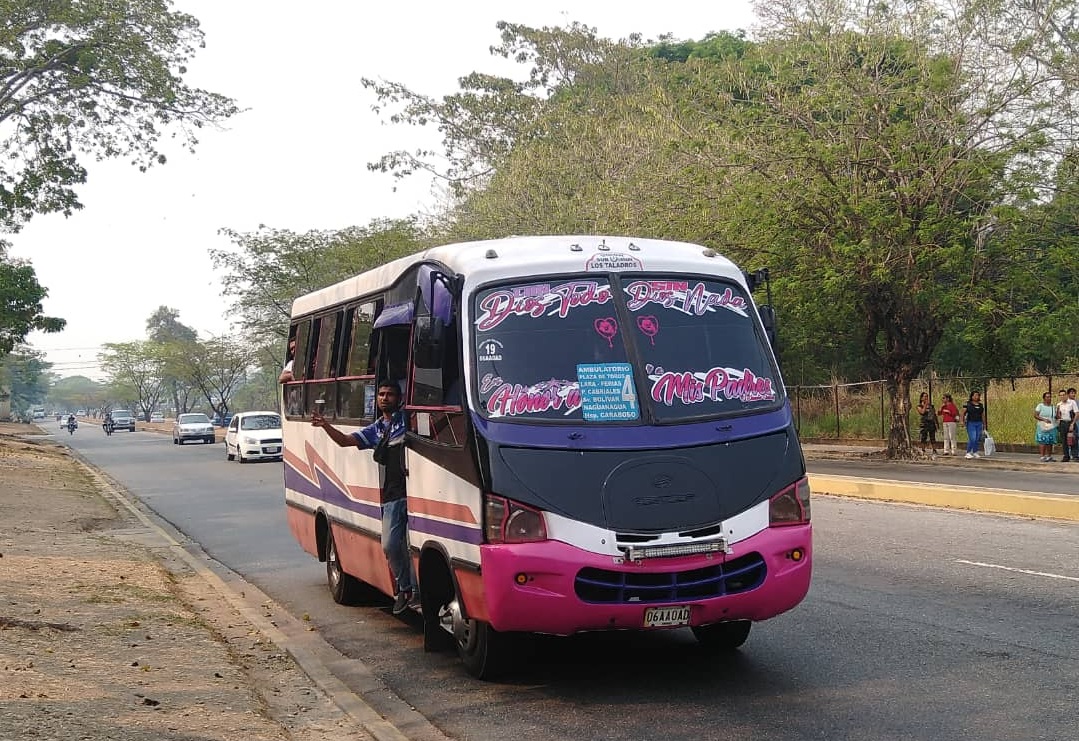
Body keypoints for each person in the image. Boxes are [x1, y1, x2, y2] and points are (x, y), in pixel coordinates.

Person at [310, 380, 418, 614]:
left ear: (399, 399)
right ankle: (405, 588)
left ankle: (418, 592)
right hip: (393, 496)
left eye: (390, 394)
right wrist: (325, 426)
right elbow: (345, 441)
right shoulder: (377, 429)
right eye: (381, 394)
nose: (384, 398)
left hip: (419, 493)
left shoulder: (409, 419)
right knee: (390, 544)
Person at [1056, 388, 1079, 462]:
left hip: (1070, 422)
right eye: (1061, 395)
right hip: (1063, 423)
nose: (1062, 396)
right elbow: (1058, 415)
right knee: (1064, 440)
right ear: (1059, 396)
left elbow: (1077, 413)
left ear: (1066, 395)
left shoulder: (1072, 402)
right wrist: (1058, 422)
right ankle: (1066, 456)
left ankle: (1075, 455)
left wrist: (1072, 423)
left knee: (1073, 439)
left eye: (1064, 395)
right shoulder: (1059, 404)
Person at [961, 391, 985, 459]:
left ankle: (975, 451)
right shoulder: (968, 404)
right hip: (971, 423)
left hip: (979, 423)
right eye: (975, 395)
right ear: (972, 396)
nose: (976, 397)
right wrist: (962, 421)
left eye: (977, 395)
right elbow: (962, 413)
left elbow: (982, 415)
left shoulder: (980, 405)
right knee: (972, 438)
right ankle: (968, 452)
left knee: (977, 438)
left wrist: (984, 424)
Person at [1035, 391, 1058, 462]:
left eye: (1050, 397)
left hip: (1051, 425)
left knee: (1050, 441)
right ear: (1044, 398)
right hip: (1042, 425)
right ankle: (1042, 456)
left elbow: (1055, 416)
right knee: (1043, 440)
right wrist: (1044, 419)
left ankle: (1049, 456)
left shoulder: (1053, 407)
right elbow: (1035, 415)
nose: (1049, 398)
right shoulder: (1040, 406)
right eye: (1047, 397)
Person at [916, 391, 937, 456]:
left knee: (932, 437)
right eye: (924, 396)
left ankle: (934, 450)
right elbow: (922, 412)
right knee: (923, 437)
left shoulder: (931, 406)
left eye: (927, 396)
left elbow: (934, 414)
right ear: (921, 398)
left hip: (931, 423)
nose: (926, 398)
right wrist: (925, 405)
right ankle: (923, 449)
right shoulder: (919, 406)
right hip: (924, 423)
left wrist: (936, 423)